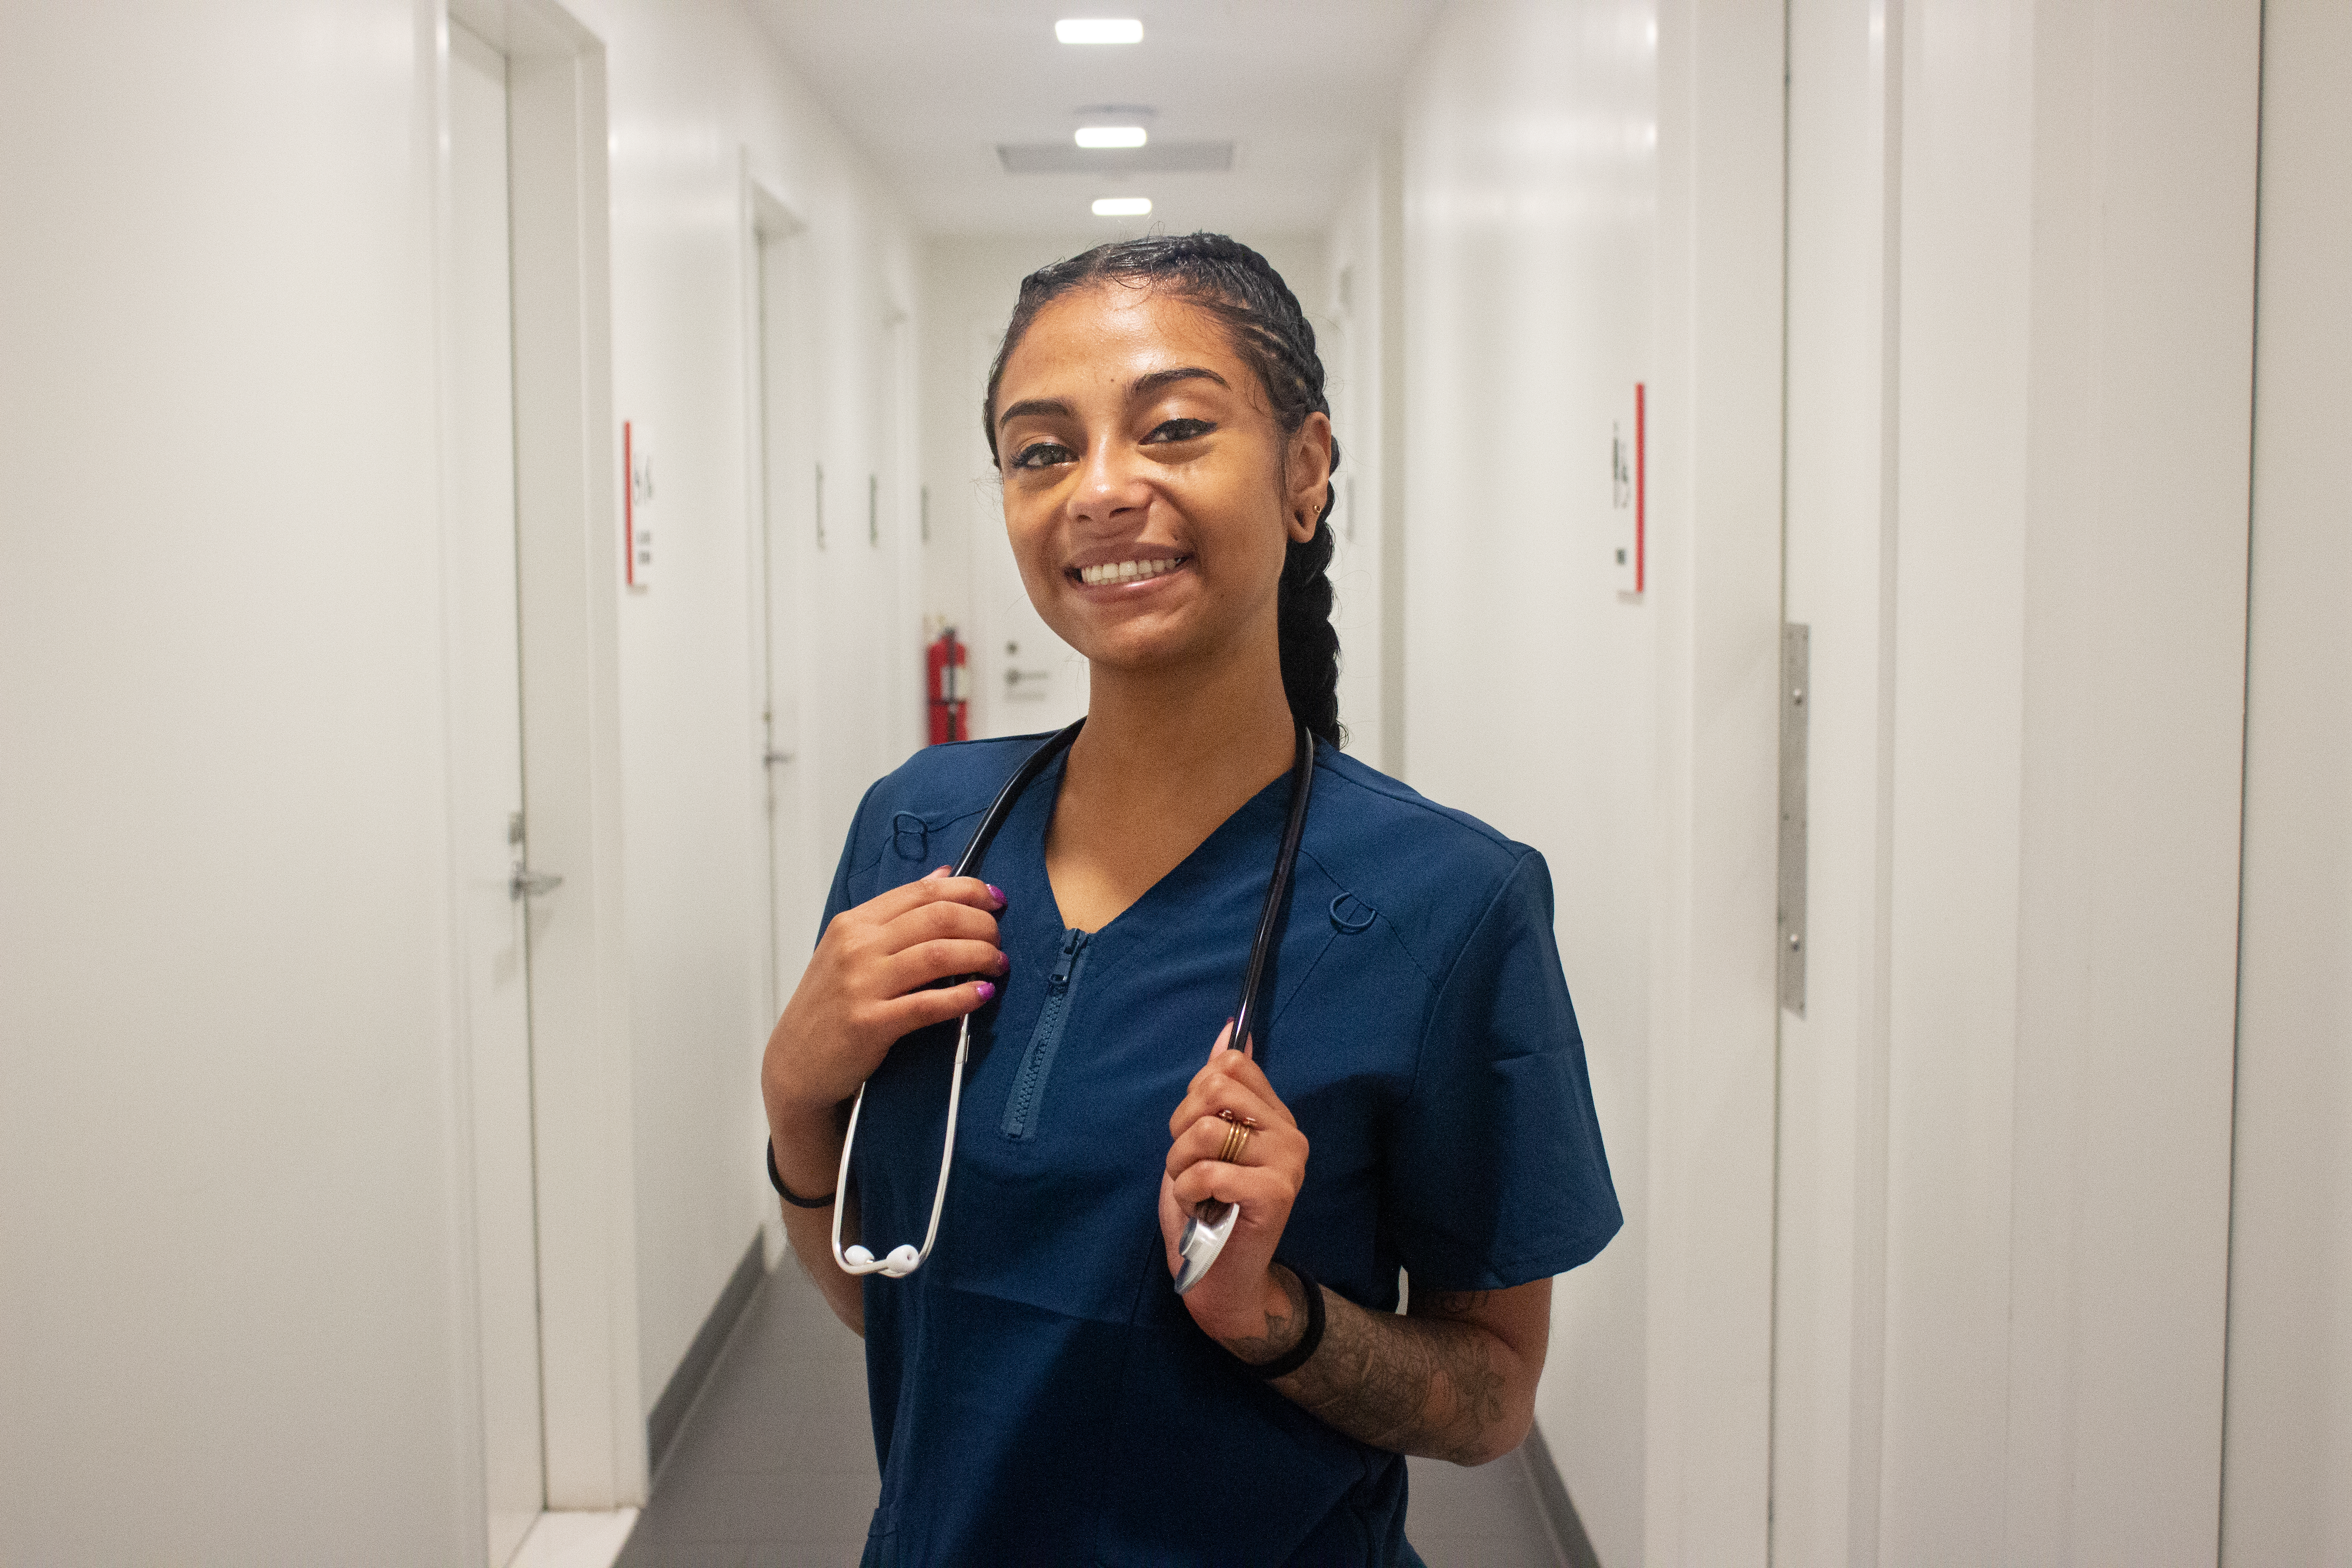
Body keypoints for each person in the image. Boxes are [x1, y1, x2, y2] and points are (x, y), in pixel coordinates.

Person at [759, 233, 1619, 1567]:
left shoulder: (1446, 905)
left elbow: (1491, 1396)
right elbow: (889, 1300)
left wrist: (1269, 1314)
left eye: (1170, 428)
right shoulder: (920, 830)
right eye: (1041, 450)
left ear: (1303, 470)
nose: (1099, 489)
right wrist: (795, 1099)